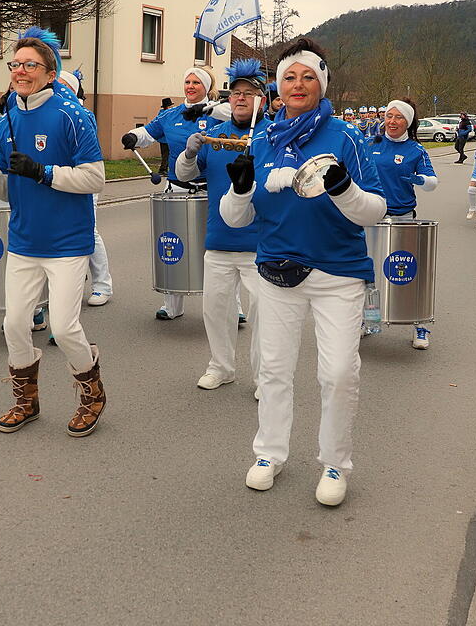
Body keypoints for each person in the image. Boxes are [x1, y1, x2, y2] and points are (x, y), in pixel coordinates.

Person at [220, 37, 387, 507]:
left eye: (308, 76)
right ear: (278, 87)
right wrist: (238, 190)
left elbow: (374, 210)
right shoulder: (262, 137)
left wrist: (344, 189)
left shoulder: (346, 137)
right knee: (273, 370)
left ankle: (335, 462)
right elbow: (238, 219)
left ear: (322, 84)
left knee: (337, 373)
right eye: (290, 76)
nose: (298, 84)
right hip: (276, 273)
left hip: (338, 275)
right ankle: (270, 453)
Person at [0, 27, 107, 437]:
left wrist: (43, 172)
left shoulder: (72, 115)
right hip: (25, 241)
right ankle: (26, 401)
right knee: (14, 324)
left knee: (64, 328)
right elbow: (7, 190)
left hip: (68, 242)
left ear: (50, 73)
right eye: (15, 64)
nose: (20, 71)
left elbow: (96, 177)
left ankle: (93, 392)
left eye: (30, 64)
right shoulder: (6, 122)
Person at [175, 59, 269, 392]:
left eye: (249, 93)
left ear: (262, 99)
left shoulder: (273, 134)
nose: (241, 98)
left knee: (263, 318)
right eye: (236, 93)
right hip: (218, 242)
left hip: (261, 246)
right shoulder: (215, 135)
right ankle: (222, 367)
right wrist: (188, 154)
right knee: (215, 312)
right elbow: (185, 175)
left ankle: (263, 377)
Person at [121, 68, 227, 319]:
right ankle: (172, 305)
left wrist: (209, 109)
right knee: (174, 245)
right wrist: (132, 136)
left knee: (220, 249)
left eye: (196, 82)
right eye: (187, 82)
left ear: (206, 86)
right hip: (178, 188)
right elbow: (148, 132)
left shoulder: (218, 112)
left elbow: (239, 119)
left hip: (211, 189)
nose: (190, 86)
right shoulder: (170, 115)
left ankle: (233, 307)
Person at [368, 98, 437, 349]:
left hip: (403, 218)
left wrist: (418, 179)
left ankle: (420, 326)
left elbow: (432, 182)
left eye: (398, 117)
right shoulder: (371, 144)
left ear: (408, 121)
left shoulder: (415, 150)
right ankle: (368, 321)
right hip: (372, 217)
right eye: (389, 116)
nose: (392, 121)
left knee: (407, 273)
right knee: (369, 273)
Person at [58, 70, 112, 306]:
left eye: (62, 86)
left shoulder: (83, 114)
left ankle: (103, 285)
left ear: (71, 89)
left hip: (83, 180)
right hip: (57, 181)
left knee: (89, 231)